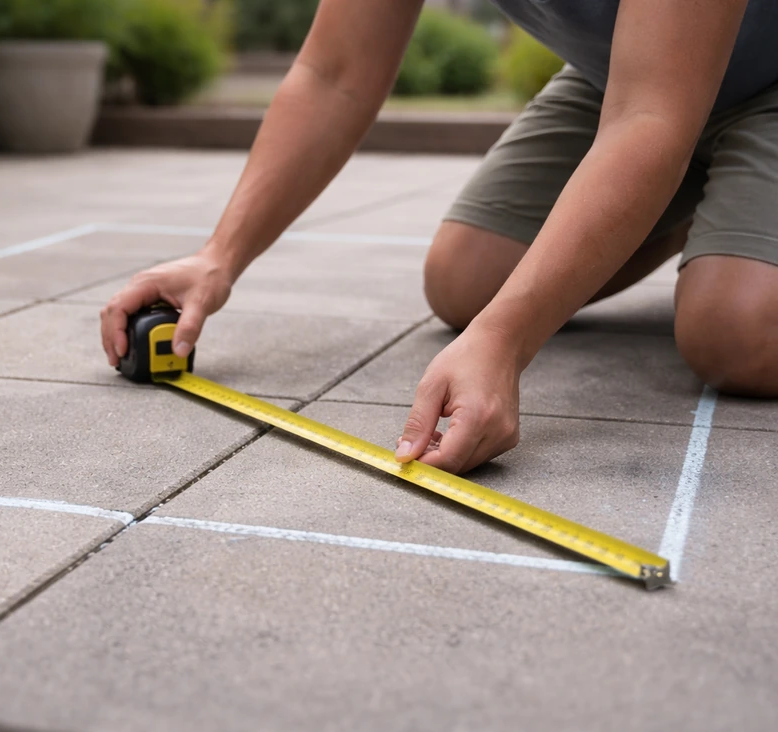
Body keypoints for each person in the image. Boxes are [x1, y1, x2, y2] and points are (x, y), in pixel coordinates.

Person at [101, 0, 777, 474]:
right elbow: (333, 74)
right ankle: (688, 200)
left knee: (734, 331)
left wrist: (506, 344)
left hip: (703, 89)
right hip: (629, 79)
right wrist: (219, 256)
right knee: (467, 283)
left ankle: (708, 215)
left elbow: (652, 116)